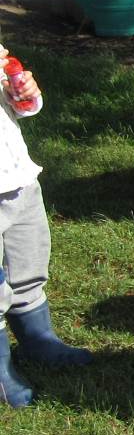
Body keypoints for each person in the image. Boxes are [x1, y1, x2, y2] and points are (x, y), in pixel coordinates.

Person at [0, 43, 92, 409]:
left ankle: (38, 339)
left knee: (29, 263)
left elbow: (17, 109)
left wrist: (24, 95)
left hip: (17, 179)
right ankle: (1, 373)